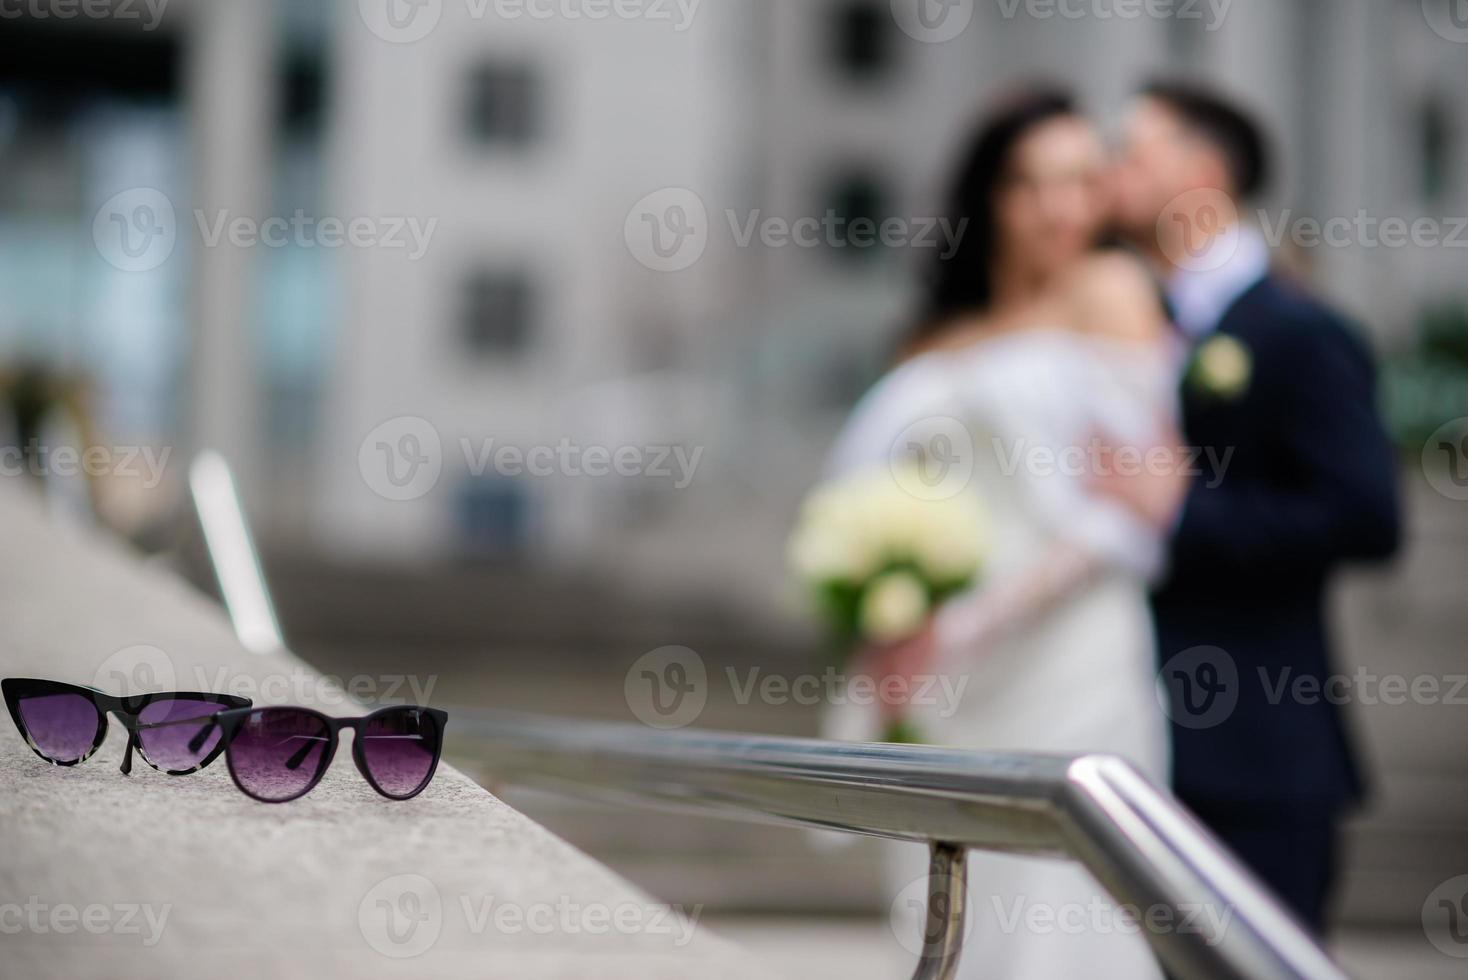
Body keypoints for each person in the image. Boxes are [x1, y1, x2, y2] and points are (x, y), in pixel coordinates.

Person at [823, 87, 1177, 978]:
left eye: (1080, 180)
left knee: (1064, 910)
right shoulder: (935, 335)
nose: (1058, 206)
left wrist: (978, 619)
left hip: (1070, 657)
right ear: (989, 197)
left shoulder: (1112, 292)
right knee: (952, 913)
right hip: (941, 682)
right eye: (1029, 183)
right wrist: (890, 610)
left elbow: (1139, 506)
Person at [1099, 80, 1402, 932]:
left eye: (1134, 151)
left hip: (1258, 755)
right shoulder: (1125, 316)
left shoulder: (1302, 331)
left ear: (1202, 171)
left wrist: (1184, 512)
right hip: (1127, 733)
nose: (1111, 171)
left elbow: (1367, 516)